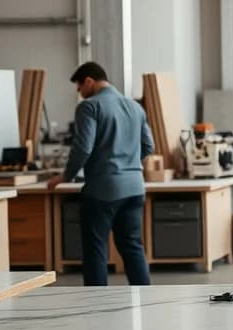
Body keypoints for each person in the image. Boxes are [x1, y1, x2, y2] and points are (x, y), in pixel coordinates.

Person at [47, 62, 154, 285]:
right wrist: (129, 160)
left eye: (79, 86)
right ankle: (146, 301)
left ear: (89, 81)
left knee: (96, 250)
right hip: (135, 188)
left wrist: (65, 176)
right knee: (133, 246)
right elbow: (148, 146)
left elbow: (83, 148)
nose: (79, 92)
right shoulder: (135, 107)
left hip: (103, 190)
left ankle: (96, 306)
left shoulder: (90, 107)